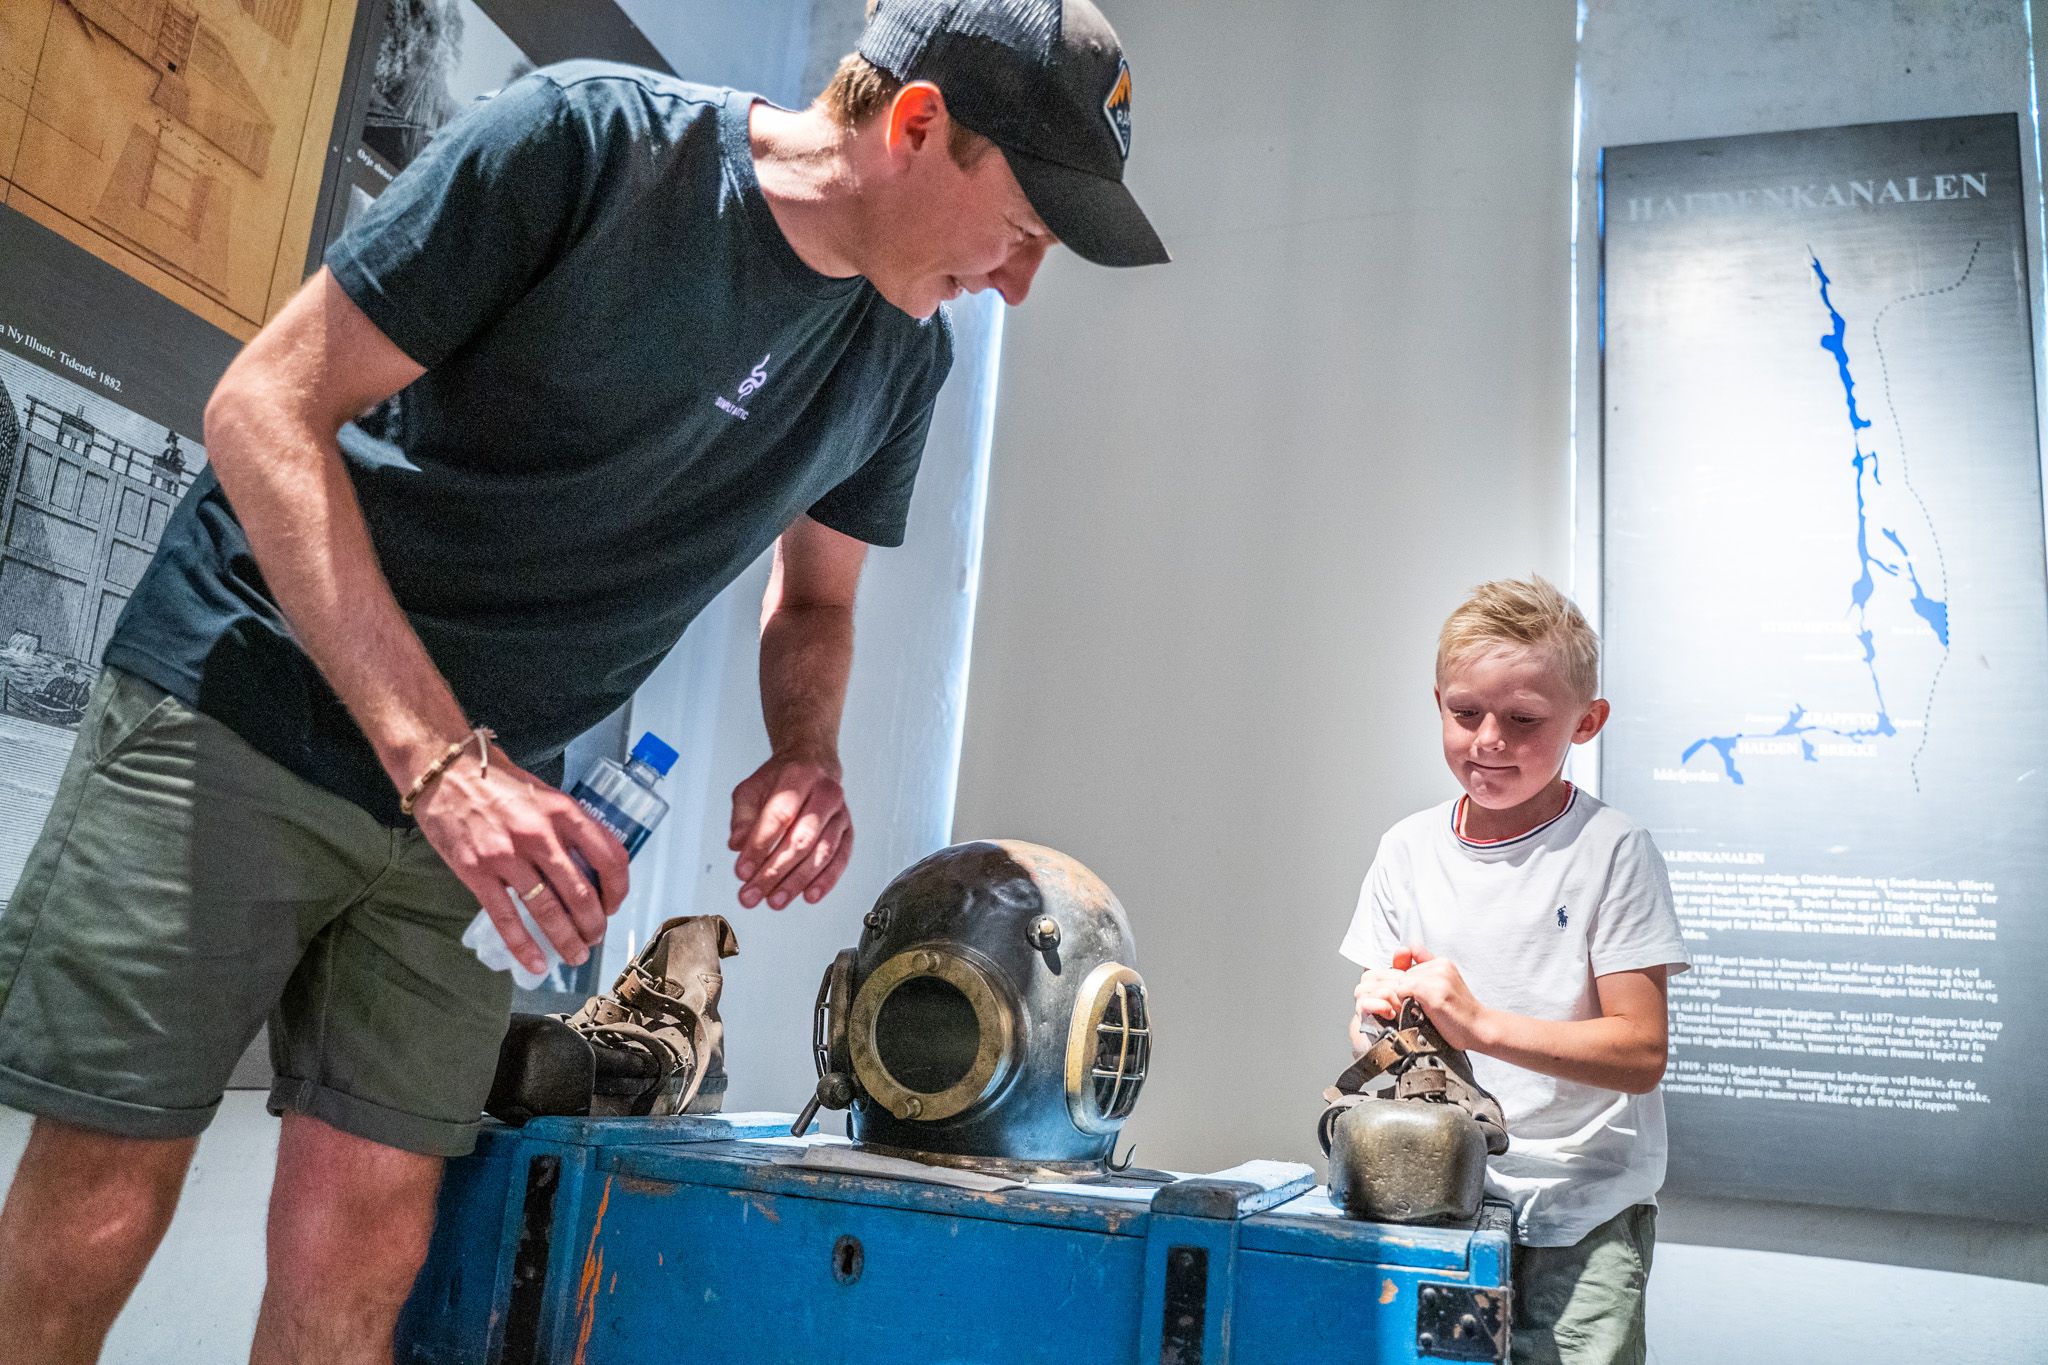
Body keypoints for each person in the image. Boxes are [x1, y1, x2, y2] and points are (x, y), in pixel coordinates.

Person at [0, 1, 1166, 1360]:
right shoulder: (587, 146)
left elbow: (819, 598)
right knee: (99, 1201)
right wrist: (439, 763)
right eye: (1024, 229)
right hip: (251, 692)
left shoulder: (899, 358)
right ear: (916, 127)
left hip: (480, 807)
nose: (1020, 283)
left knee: (366, 1239)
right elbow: (263, 408)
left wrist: (807, 751)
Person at [1340, 577, 1690, 1365]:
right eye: (1466, 713)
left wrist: (1482, 1025)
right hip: (1437, 1199)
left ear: (1587, 721)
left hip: (1581, 1212)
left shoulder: (1613, 850)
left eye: (1523, 719)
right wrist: (1379, 1017)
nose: (1488, 740)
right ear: (1438, 702)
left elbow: (1640, 1052)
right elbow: (1368, 1026)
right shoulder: (1407, 848)